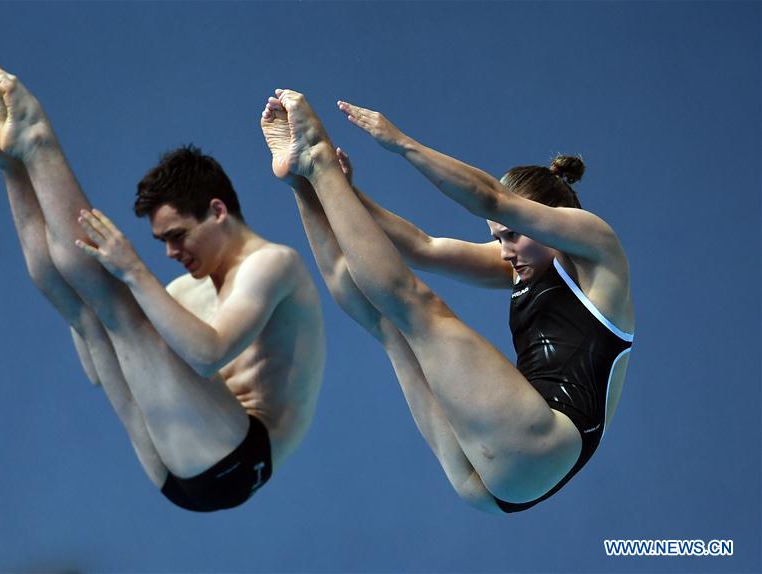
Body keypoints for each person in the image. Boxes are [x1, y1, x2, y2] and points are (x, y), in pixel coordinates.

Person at [0, 65, 325, 512]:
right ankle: (13, 164)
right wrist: (84, 314)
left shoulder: (272, 264)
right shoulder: (183, 293)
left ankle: (38, 139)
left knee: (118, 303)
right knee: (88, 309)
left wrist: (132, 275)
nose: (171, 253)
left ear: (218, 211)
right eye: (162, 242)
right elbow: (99, 372)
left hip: (242, 459)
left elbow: (209, 354)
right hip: (178, 466)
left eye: (178, 235)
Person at [261, 90, 634, 513]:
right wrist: (340, 192)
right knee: (386, 324)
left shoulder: (597, 250)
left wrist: (403, 144)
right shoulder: (521, 263)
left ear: (547, 217)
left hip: (543, 443)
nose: (505, 250)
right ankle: (302, 178)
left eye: (512, 234)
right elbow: (423, 247)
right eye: (497, 237)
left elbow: (491, 198)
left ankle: (316, 159)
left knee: (418, 308)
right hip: (492, 480)